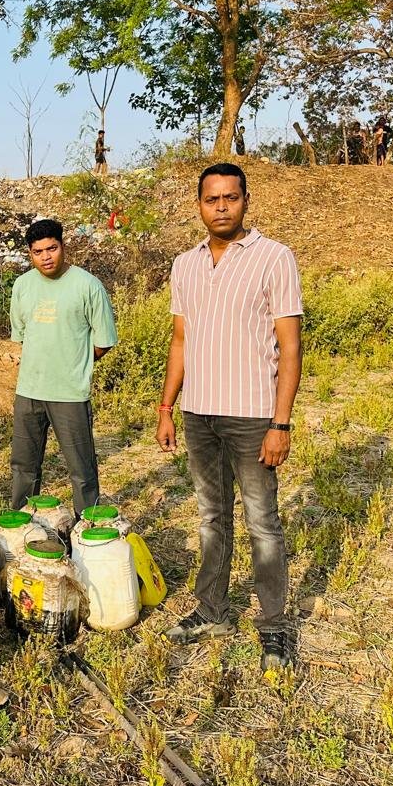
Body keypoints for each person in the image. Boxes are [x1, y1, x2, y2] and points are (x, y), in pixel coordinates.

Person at [156, 163, 303, 671]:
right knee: (211, 518)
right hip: (199, 414)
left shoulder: (273, 258)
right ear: (198, 205)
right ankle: (213, 611)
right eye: (211, 199)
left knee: (262, 523)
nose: (221, 207)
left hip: (252, 416)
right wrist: (166, 406)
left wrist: (279, 423)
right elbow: (180, 340)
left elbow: (290, 346)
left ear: (245, 201)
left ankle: (274, 626)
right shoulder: (185, 264)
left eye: (230, 198)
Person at [9, 219, 118, 518]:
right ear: (30, 254)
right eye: (37, 251)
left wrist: (75, 361)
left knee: (81, 469)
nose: (46, 257)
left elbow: (104, 341)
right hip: (29, 391)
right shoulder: (22, 286)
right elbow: (22, 336)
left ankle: (89, 530)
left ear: (63, 246)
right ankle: (19, 528)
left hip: (70, 393)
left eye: (52, 248)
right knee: (23, 466)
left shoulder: (87, 286)